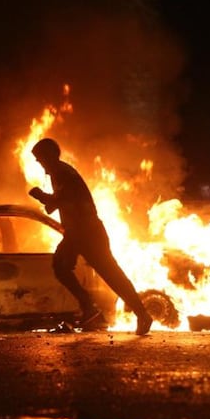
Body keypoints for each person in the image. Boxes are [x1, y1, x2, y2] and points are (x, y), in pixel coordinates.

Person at [28, 138, 153, 335]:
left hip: (87, 232)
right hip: (78, 233)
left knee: (109, 273)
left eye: (40, 159)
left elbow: (65, 202)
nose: (39, 163)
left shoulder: (64, 173)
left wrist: (42, 196)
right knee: (63, 266)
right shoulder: (58, 174)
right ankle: (91, 308)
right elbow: (55, 205)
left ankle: (137, 313)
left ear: (49, 156)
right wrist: (46, 198)